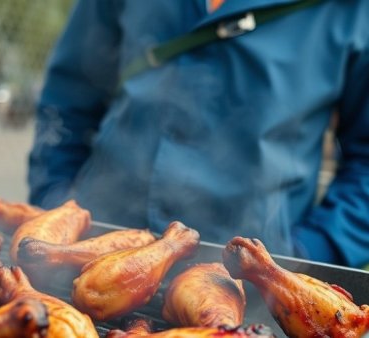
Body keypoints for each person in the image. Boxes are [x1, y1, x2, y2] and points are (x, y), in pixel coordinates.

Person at [27, 0, 369, 267]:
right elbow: (70, 94)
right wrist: (54, 198)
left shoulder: (354, 10)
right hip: (92, 248)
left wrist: (309, 250)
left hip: (246, 278)